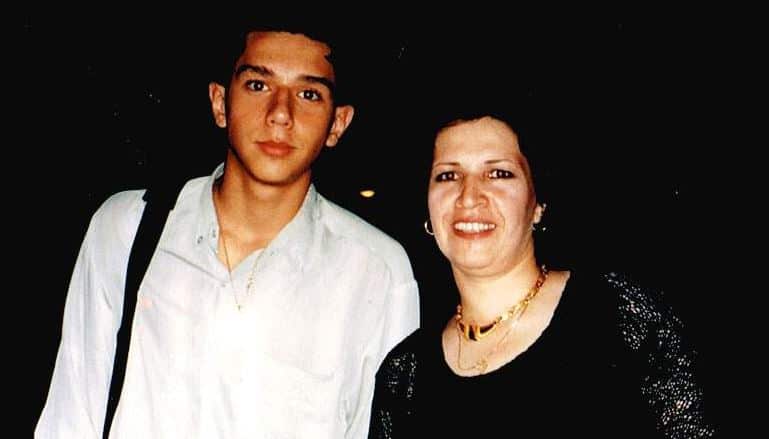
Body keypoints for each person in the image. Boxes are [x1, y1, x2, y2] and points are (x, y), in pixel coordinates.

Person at [35, 18, 419, 438]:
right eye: (258, 85)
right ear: (220, 102)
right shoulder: (127, 227)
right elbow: (71, 417)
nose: (280, 114)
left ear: (338, 123)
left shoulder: (378, 270)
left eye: (308, 94)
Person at [368, 92, 716, 437]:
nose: (469, 196)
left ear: (538, 204)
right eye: (448, 176)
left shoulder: (619, 315)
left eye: (498, 173)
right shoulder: (404, 376)